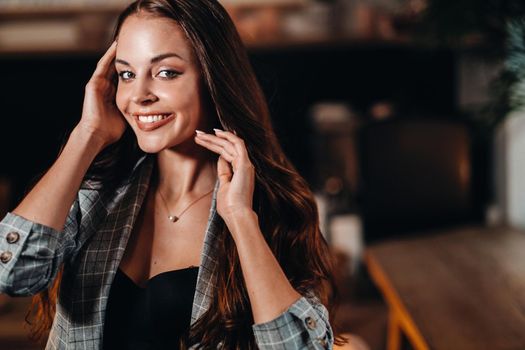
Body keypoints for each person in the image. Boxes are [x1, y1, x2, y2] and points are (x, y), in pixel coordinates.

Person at [0, 0, 342, 349]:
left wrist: (241, 219)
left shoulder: (270, 208)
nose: (139, 96)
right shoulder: (95, 194)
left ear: (213, 77)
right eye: (126, 74)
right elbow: (13, 274)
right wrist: (87, 135)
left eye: (166, 73)